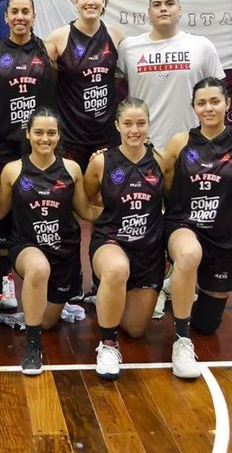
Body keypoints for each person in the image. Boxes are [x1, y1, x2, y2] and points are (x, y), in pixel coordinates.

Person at [163, 77, 232, 378]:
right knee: (188, 253)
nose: (208, 108)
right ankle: (181, 341)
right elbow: (163, 188)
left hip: (224, 239)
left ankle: (179, 286)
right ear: (194, 107)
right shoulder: (180, 143)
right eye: (202, 103)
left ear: (227, 104)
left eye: (215, 101)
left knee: (207, 325)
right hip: (184, 227)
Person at [0, 108, 99, 375]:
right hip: (26, 246)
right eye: (39, 132)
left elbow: (86, 211)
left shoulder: (71, 169)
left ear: (59, 135)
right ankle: (33, 346)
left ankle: (38, 315)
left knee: (47, 322)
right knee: (38, 268)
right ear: (28, 134)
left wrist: (122, 208)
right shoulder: (13, 170)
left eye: (51, 133)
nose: (45, 138)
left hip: (64, 252)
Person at [0, 0, 58, 311]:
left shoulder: (49, 50)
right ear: (6, 17)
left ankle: (53, 277)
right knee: (4, 211)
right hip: (4, 142)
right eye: (15, 12)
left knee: (47, 209)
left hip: (40, 143)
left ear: (34, 16)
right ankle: (5, 280)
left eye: (26, 11)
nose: (20, 17)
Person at [83, 98, 165, 380]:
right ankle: (107, 345)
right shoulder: (101, 161)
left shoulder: (162, 161)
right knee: (117, 269)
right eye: (128, 123)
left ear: (149, 124)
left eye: (140, 123)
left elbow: (171, 205)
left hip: (148, 251)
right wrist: (109, 215)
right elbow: (87, 201)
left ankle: (110, 294)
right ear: (117, 125)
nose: (134, 130)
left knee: (135, 329)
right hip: (111, 243)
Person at [118, 0, 225, 149]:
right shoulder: (127, 48)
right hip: (142, 146)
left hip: (192, 144)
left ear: (179, 10)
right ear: (149, 12)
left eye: (169, 3)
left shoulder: (202, 46)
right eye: (157, 5)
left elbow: (219, 96)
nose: (163, 9)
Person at [46, 0, 126, 170]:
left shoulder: (115, 35)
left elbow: (120, 79)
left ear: (104, 1)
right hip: (72, 136)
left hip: (107, 134)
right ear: (76, 1)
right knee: (73, 185)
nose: (90, 1)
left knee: (107, 186)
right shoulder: (58, 37)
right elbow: (47, 80)